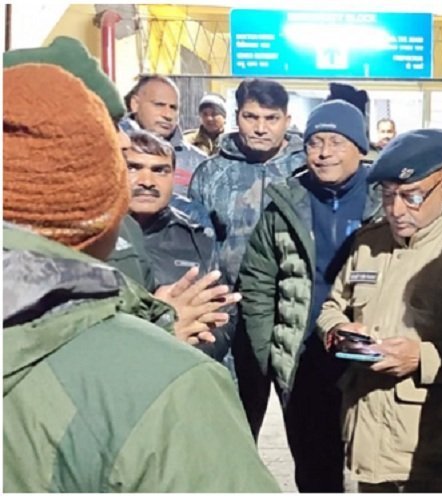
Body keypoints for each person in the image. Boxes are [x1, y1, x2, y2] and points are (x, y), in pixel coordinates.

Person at [2, 62, 280, 493]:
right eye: (126, 165)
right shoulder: (172, 386)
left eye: (159, 170)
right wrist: (160, 334)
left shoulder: (194, 230)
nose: (143, 181)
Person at [2, 37, 236, 352]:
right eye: (108, 126)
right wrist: (162, 334)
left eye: (160, 170)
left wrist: (166, 324)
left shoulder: (124, 227)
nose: (124, 142)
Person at [317, 129, 442, 493]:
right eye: (388, 196)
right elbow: (333, 307)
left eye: (412, 196)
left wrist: (422, 358)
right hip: (367, 440)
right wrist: (338, 331)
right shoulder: (368, 242)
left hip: (435, 448)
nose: (396, 210)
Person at [238, 100, 382, 492]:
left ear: (360, 148)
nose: (323, 153)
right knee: (316, 470)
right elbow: (258, 282)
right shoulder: (285, 205)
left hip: (368, 355)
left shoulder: (385, 199)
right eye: (315, 143)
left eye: (336, 142)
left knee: (377, 466)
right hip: (304, 357)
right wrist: (269, 351)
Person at [189, 78, 306, 289]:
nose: (260, 128)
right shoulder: (210, 173)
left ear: (287, 120)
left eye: (271, 118)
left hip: (296, 298)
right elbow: (195, 244)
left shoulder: (307, 170)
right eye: (250, 117)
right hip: (227, 297)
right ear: (236, 117)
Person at [126, 129, 232, 362]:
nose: (147, 181)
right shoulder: (93, 240)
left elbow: (222, 319)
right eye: (133, 167)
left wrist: (189, 350)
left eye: (160, 170)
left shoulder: (197, 239)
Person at [121, 74, 211, 228]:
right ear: (135, 104)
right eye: (159, 105)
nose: (168, 115)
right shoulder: (110, 150)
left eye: (173, 108)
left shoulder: (198, 162)